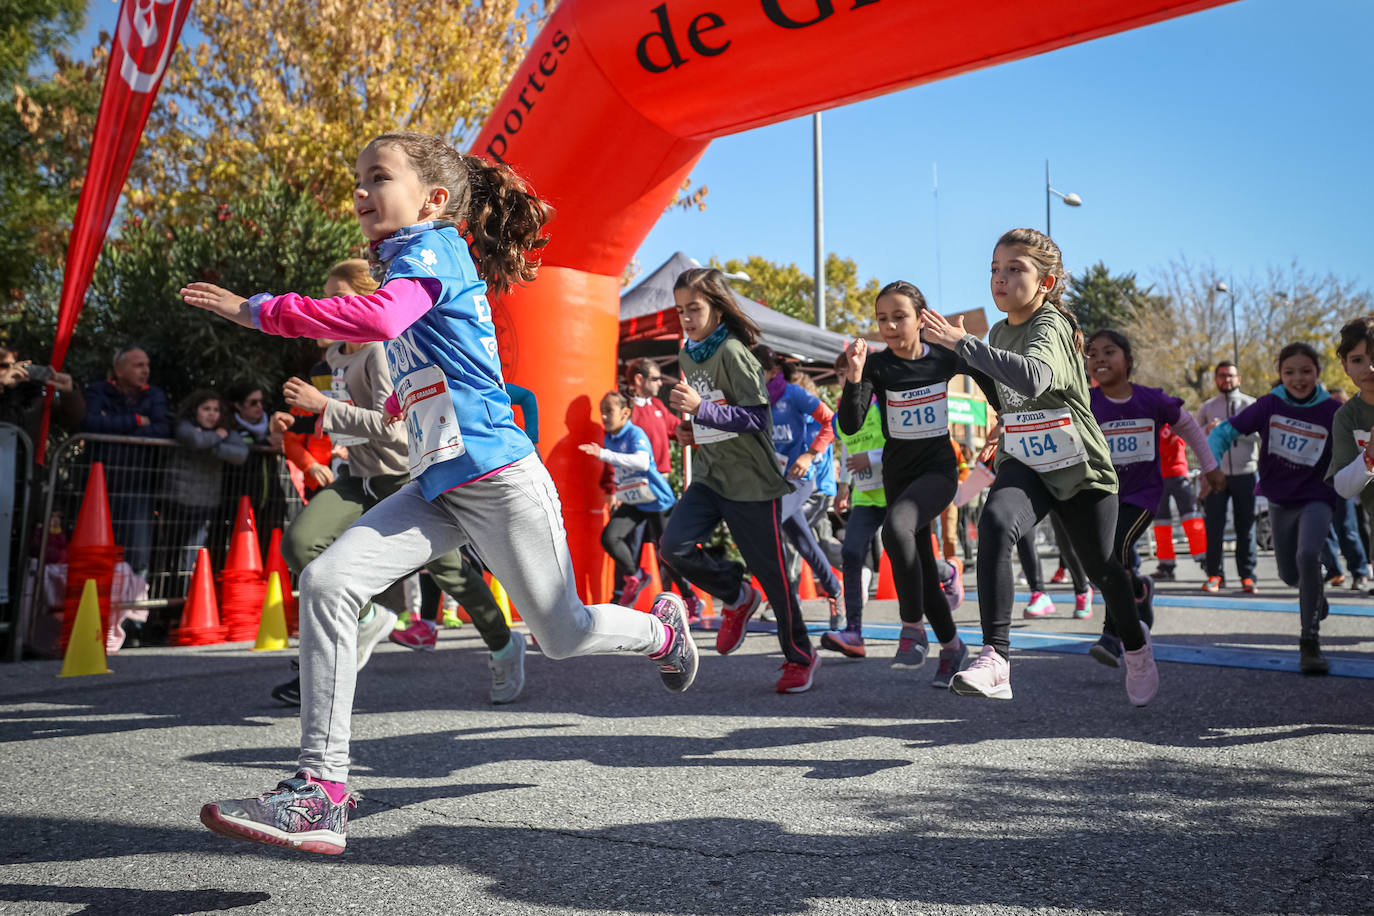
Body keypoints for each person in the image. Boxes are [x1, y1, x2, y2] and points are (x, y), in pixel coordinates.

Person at [186, 131, 697, 855]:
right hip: (437, 483)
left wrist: (260, 310)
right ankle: (321, 792)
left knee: (563, 635)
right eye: (357, 178)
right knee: (328, 580)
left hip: (498, 480)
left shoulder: (431, 251)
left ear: (430, 199)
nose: (361, 191)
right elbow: (424, 368)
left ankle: (662, 633)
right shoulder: (406, 264)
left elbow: (385, 317)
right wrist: (399, 410)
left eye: (378, 177)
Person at [266, 258, 524, 708]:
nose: (329, 306)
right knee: (301, 543)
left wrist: (322, 408)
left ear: (367, 300)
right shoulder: (331, 356)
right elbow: (344, 422)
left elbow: (397, 429)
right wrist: (301, 422)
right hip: (357, 479)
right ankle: (364, 621)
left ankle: (504, 646)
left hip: (403, 478)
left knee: (449, 573)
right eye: (326, 297)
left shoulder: (382, 350)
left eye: (340, 297)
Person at [921, 227, 1158, 705]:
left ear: (1046, 284)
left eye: (1015, 269)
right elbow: (1003, 390)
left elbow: (1032, 378)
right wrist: (986, 397)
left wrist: (964, 346)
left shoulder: (1049, 325)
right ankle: (996, 658)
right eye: (994, 268)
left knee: (1102, 570)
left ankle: (1136, 648)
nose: (1000, 279)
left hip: (1077, 466)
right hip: (1025, 460)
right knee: (994, 521)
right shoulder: (998, 331)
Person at [659, 267, 818, 693]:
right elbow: (709, 414)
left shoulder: (733, 351)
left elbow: (756, 417)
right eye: (680, 311)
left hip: (751, 481)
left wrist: (702, 410)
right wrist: (690, 429)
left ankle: (799, 656)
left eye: (695, 309)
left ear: (717, 307)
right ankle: (737, 594)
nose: (687, 318)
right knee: (672, 547)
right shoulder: (687, 354)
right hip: (712, 475)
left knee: (776, 577)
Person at [836, 280, 974, 687]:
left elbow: (990, 380)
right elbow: (849, 424)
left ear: (920, 319)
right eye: (882, 319)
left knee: (895, 530)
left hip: (938, 473)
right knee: (920, 568)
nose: (891, 326)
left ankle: (911, 627)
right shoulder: (878, 366)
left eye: (899, 317)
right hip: (899, 477)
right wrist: (856, 376)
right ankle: (952, 647)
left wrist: (1003, 422)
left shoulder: (943, 359)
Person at [1085, 330, 1222, 665]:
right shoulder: (1086, 403)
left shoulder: (1151, 400)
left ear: (1128, 361)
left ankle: (1112, 634)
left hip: (1142, 495)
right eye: (1092, 353)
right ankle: (1138, 592)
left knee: (1113, 552)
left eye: (1109, 351)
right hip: (1102, 496)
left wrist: (1210, 467)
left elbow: (1189, 426)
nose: (1100, 358)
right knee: (1108, 560)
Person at [1208, 342, 1341, 675]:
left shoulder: (1332, 411)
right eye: (1289, 372)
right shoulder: (1270, 404)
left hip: (1317, 497)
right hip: (1280, 499)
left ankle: (1309, 643)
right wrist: (1213, 469)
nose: (1298, 379)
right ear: (1280, 375)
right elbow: (1225, 432)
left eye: (1306, 372)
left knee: (1308, 555)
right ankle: (1315, 587)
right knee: (1289, 574)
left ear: (1318, 373)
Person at [753, 345, 844, 622]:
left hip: (799, 479)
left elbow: (831, 422)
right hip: (772, 481)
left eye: (756, 371)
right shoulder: (752, 399)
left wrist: (809, 454)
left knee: (769, 524)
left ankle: (784, 603)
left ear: (773, 371)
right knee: (804, 543)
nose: (749, 376)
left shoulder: (794, 395)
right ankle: (835, 591)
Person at [582, 391, 680, 609]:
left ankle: (690, 597)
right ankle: (635, 577)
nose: (604, 417)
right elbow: (616, 468)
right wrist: (613, 487)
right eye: (602, 412)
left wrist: (604, 454)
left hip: (657, 500)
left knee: (668, 552)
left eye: (609, 411)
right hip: (635, 501)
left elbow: (642, 463)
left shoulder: (635, 434)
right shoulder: (610, 438)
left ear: (625, 413)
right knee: (610, 538)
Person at [82, 345, 170, 579]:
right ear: (119, 370)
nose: (146, 371)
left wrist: (113, 424)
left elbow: (162, 429)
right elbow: (90, 423)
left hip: (138, 487)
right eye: (138, 365)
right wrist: (137, 420)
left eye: (147, 365)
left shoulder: (155, 395)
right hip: (98, 486)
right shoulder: (98, 391)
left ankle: (131, 613)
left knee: (137, 553)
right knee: (94, 549)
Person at [826, 351, 886, 658]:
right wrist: (844, 487)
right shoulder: (842, 412)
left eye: (847, 372)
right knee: (851, 553)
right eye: (838, 374)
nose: (842, 379)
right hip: (865, 495)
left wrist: (872, 458)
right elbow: (850, 448)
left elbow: (901, 446)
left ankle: (947, 574)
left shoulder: (882, 402)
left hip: (895, 493)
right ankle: (854, 632)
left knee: (911, 560)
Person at [163, 390, 249, 584]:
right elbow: (194, 439)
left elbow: (241, 454)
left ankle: (183, 605)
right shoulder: (185, 426)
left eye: (216, 410)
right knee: (167, 555)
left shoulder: (225, 430)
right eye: (206, 409)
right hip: (175, 502)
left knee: (189, 559)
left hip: (203, 506)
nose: (212, 414)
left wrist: (211, 445)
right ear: (195, 411)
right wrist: (217, 438)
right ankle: (164, 609)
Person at [1195, 362, 1260, 592]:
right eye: (1222, 376)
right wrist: (1208, 431)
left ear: (1238, 379)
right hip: (1216, 473)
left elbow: (1261, 435)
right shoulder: (1207, 407)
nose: (1227, 380)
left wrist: (1233, 429)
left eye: (1231, 376)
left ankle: (1247, 576)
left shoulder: (1251, 404)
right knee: (1214, 526)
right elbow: (1195, 435)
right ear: (1215, 380)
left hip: (1246, 473)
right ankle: (1215, 575)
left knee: (1246, 526)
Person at [1329, 317, 1374, 601]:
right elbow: (1344, 487)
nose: (1369, 368)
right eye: (1358, 360)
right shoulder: (1346, 417)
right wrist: (1368, 457)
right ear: (1346, 367)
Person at [1149, 424, 1207, 581]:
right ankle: (1166, 565)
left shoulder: (1174, 420)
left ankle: (1205, 559)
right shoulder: (1151, 420)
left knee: (1191, 516)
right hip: (1158, 477)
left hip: (1177, 474)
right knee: (1161, 522)